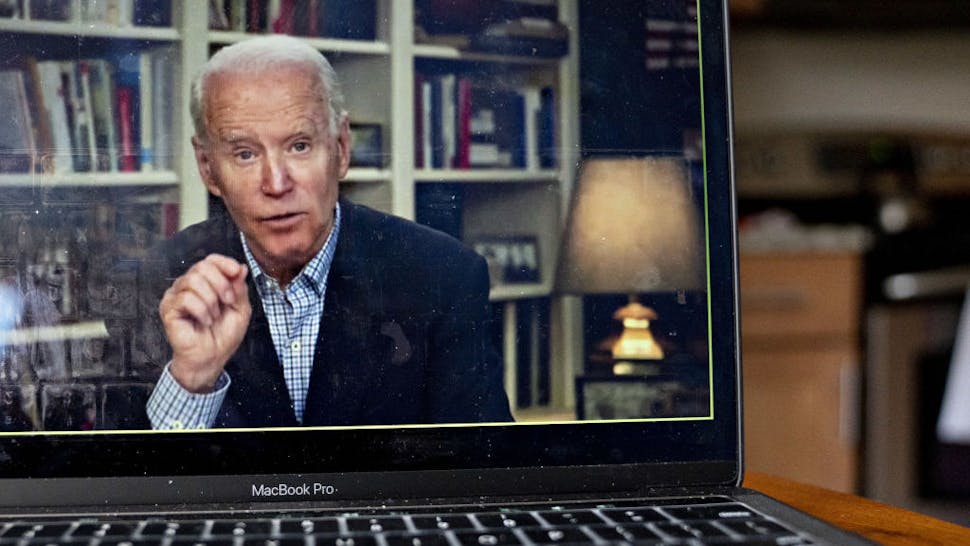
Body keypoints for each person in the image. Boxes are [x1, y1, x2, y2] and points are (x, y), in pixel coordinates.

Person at [141, 35, 512, 429]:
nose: (276, 183)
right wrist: (192, 382)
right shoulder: (161, 279)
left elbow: (487, 469)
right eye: (245, 154)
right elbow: (123, 478)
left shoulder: (443, 276)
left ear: (341, 149)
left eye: (299, 146)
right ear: (207, 168)